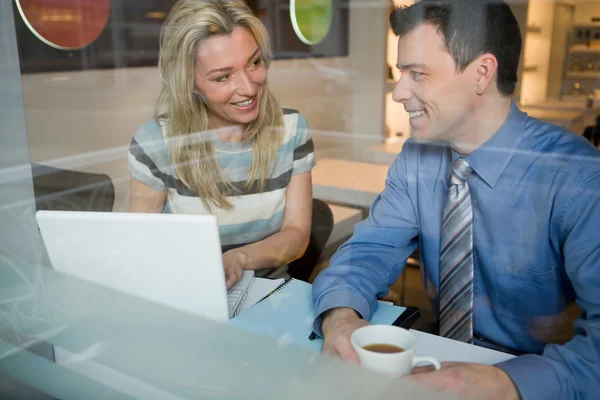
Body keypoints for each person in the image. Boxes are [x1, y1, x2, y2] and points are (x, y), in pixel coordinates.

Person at [312, 1, 600, 399]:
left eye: (418, 74)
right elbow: (367, 252)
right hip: (434, 358)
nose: (398, 93)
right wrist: (341, 317)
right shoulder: (417, 159)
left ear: (482, 73)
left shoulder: (578, 178)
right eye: (400, 75)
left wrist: (505, 384)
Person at [128, 0, 315, 289]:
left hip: (271, 299)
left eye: (254, 63)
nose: (249, 88)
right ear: (189, 83)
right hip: (188, 294)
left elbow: (297, 235)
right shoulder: (154, 144)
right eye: (223, 77)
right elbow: (142, 249)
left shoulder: (291, 130)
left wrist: (238, 258)